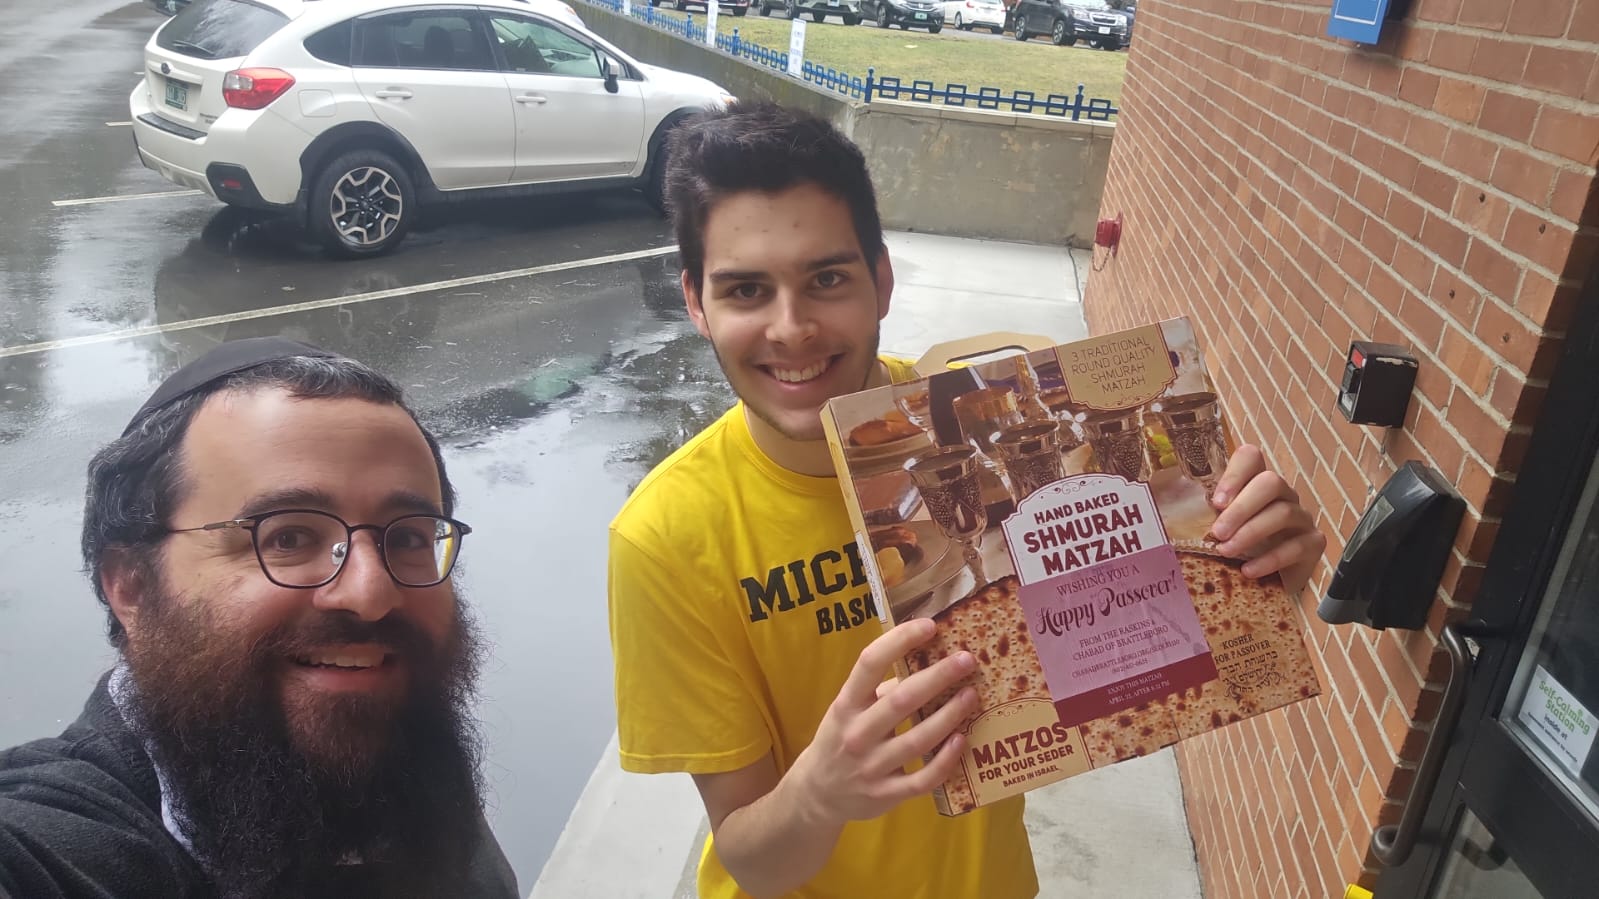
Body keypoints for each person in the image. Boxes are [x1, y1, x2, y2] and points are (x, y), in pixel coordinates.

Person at [607, 102, 1327, 899]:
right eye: (745, 290)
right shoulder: (667, 537)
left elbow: (1122, 637)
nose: (792, 328)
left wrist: (1244, 572)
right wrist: (819, 792)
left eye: (827, 278)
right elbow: (750, 857)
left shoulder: (983, 416)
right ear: (696, 303)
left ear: (880, 281)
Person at [0, 338, 518, 899]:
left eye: (410, 538)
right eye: (288, 537)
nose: (371, 594)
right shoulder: (56, 848)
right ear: (131, 586)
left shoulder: (408, 765)